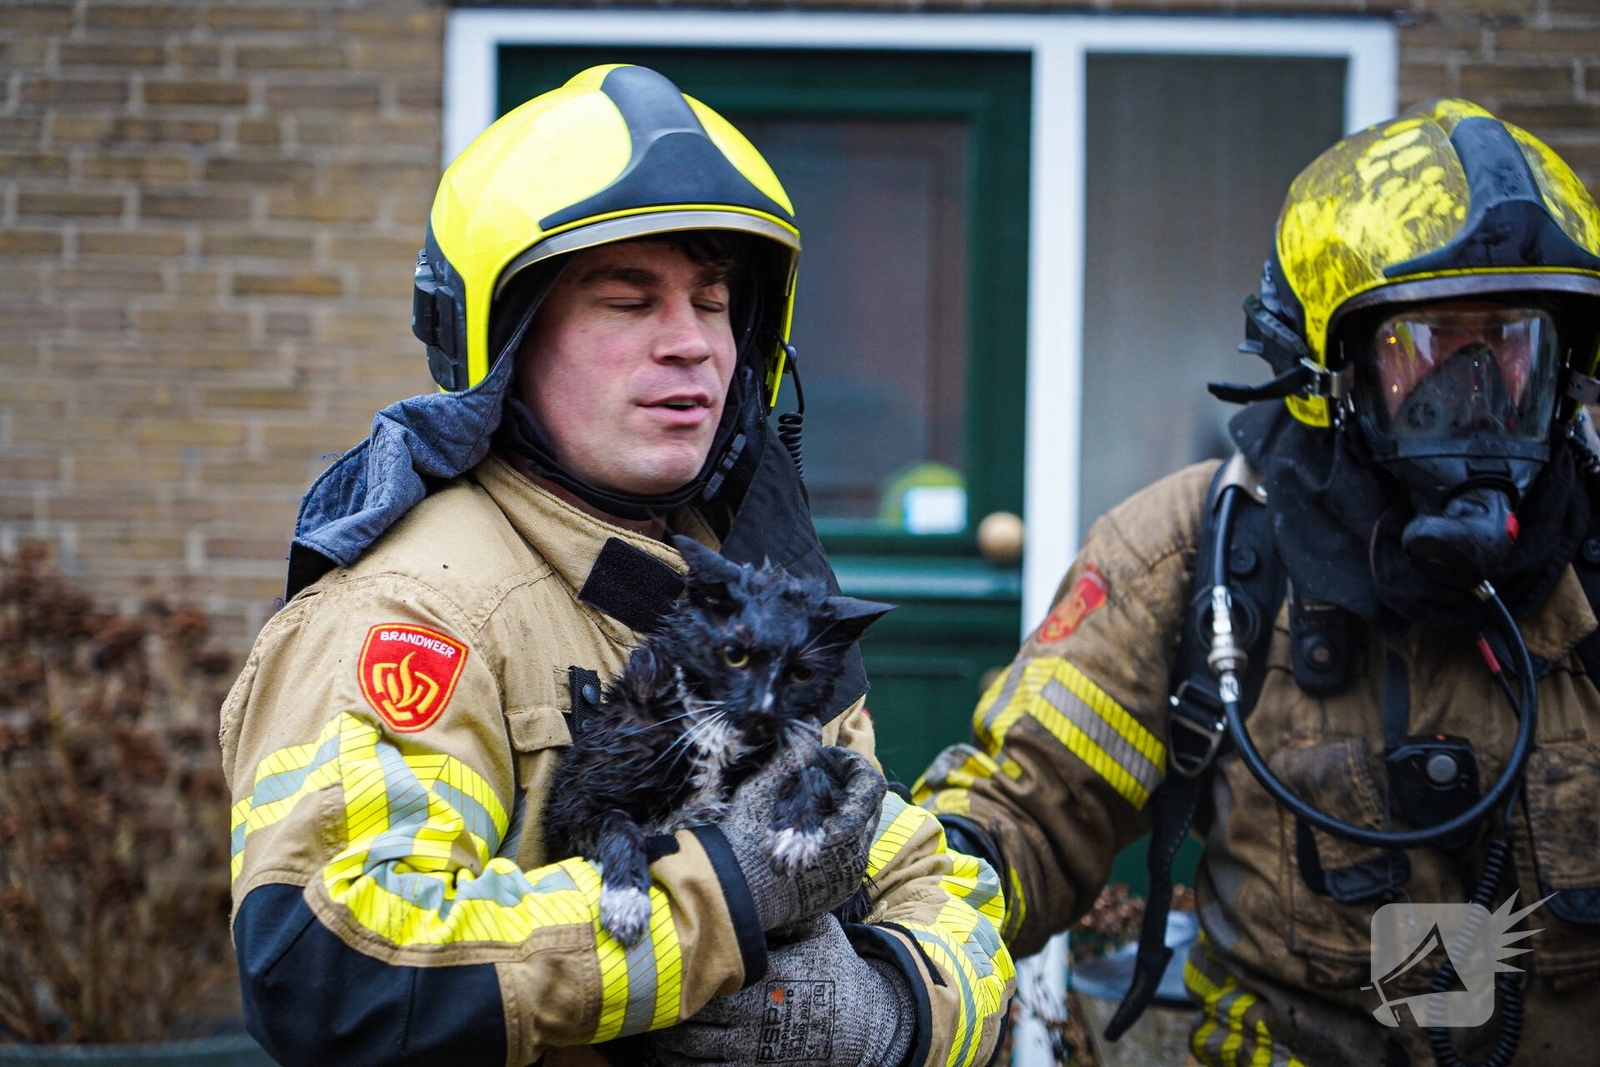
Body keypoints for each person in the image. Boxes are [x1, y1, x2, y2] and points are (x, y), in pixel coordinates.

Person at [220, 64, 1012, 1067]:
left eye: (713, 300)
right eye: (627, 300)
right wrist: (717, 900)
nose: (690, 346)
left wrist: (895, 1010)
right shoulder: (418, 609)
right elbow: (335, 967)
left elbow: (934, 884)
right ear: (504, 342)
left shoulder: (747, 593)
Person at [916, 98, 1600, 1067]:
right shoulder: (1192, 552)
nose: (1479, 389)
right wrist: (903, 946)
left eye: (1513, 342)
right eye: (1434, 342)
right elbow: (1025, 811)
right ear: (1333, 368)